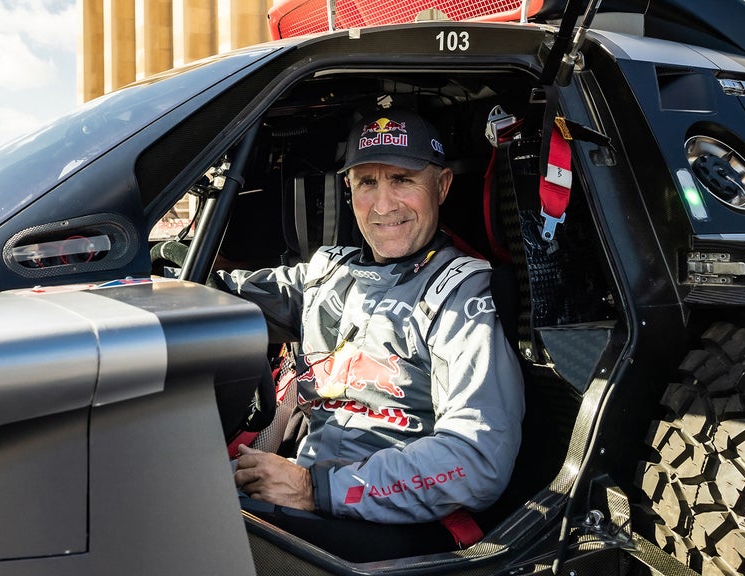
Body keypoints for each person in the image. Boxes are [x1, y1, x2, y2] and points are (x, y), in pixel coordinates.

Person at [217, 109, 524, 561]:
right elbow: (221, 298)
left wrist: (314, 489)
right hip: (302, 486)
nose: (384, 205)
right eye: (367, 183)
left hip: (389, 519)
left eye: (402, 180)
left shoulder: (460, 291)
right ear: (349, 189)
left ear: (441, 186)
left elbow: (476, 459)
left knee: (200, 529)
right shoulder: (328, 272)